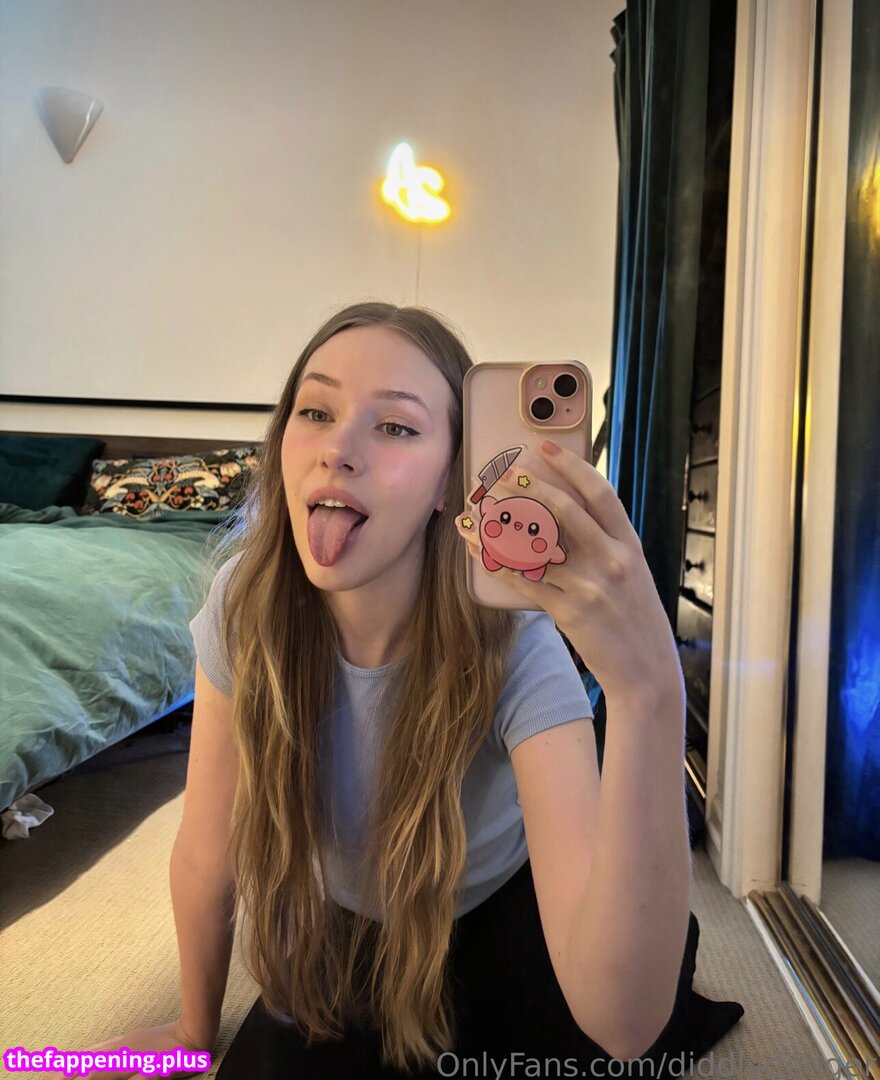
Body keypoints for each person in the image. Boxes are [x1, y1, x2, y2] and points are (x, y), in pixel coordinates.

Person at [83, 302, 743, 1079]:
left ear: (449, 484)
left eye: (395, 427)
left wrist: (648, 690)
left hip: (501, 912)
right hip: (350, 924)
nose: (338, 450)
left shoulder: (514, 637)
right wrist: (193, 1032)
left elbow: (624, 1022)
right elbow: (205, 852)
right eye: (316, 412)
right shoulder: (245, 604)